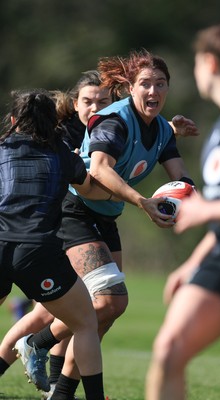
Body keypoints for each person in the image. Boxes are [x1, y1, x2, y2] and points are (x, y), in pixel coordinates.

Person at [12, 50, 198, 400]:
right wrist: (143, 203)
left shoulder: (160, 129)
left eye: (160, 84)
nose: (153, 90)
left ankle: (62, 393)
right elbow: (99, 169)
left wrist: (191, 203)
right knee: (110, 301)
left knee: (105, 313)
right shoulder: (115, 120)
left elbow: (181, 176)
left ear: (168, 88)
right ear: (129, 87)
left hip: (107, 215)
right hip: (74, 210)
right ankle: (36, 343)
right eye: (145, 83)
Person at [145, 2, 220, 399]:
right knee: (168, 350)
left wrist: (207, 209)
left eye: (193, 64)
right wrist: (192, 264)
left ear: (209, 64)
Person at [0, 88, 114, 400]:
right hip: (37, 251)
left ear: (12, 120)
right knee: (86, 323)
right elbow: (92, 190)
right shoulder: (59, 151)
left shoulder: (1, 147)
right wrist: (129, 194)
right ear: (53, 123)